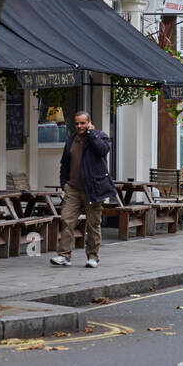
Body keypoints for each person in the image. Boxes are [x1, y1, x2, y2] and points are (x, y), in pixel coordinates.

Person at [51, 111, 114, 268]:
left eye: (83, 123)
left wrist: (91, 134)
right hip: (72, 188)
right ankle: (64, 256)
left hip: (93, 188)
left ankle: (92, 256)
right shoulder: (71, 139)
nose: (79, 126)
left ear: (90, 123)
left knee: (93, 224)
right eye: (77, 123)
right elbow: (64, 163)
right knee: (66, 220)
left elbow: (102, 150)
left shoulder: (100, 136)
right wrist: (63, 183)